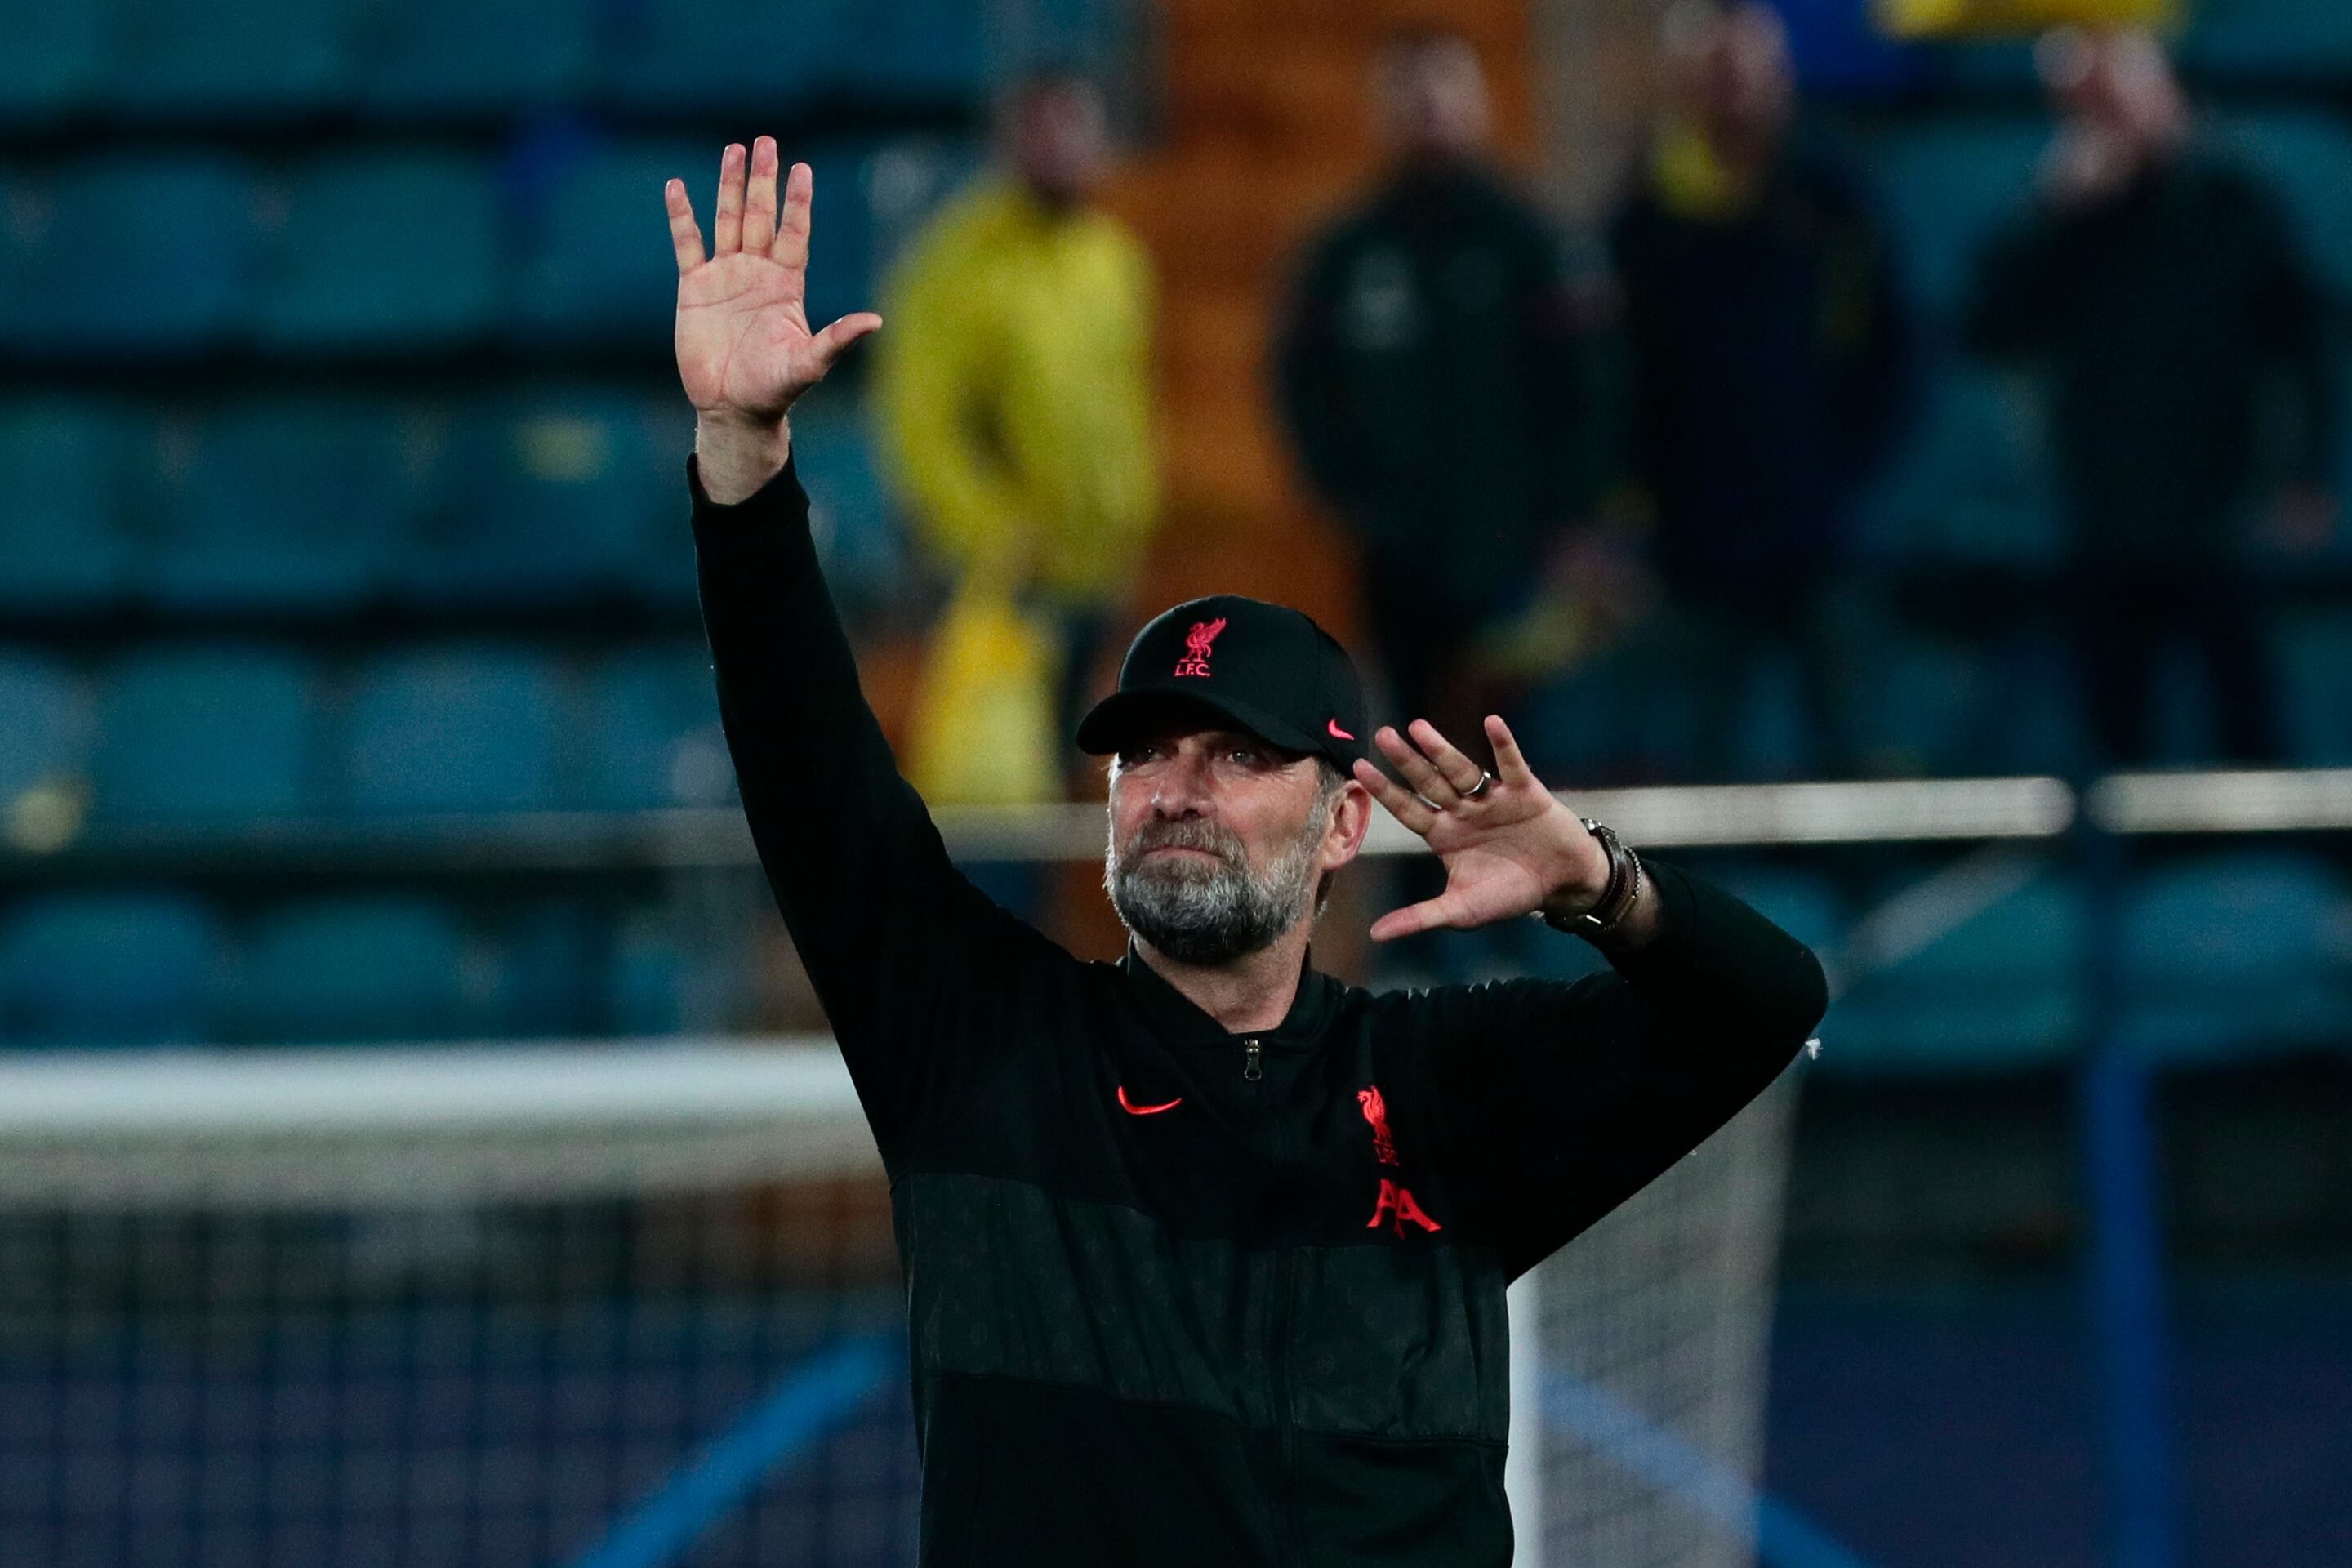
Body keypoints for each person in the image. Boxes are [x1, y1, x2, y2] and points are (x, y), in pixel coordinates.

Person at [664, 136, 1826, 1566]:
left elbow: (1768, 1008)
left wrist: (1600, 881)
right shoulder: (979, 1049)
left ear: (1349, 820)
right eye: (1144, 751)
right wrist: (744, 462)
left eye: (1238, 754)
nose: (1173, 787)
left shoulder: (1450, 1090)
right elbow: (808, 772)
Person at [1965, 28, 2341, 767]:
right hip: (2103, 512)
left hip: (2217, 507)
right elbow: (1988, 328)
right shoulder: (2065, 219)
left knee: (2250, 730)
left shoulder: (2236, 198)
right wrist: (2053, 211)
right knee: (2115, 741)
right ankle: (2119, 878)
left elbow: (2307, 343)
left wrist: (2308, 473)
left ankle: (2274, 872)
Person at [1607, 0, 1913, 779]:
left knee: (1856, 756)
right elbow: (1616, 382)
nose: (1736, 89)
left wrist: (1841, 474)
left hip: (1823, 535)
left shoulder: (1835, 201)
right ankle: (1692, 906)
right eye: (1717, 72)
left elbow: (1894, 352)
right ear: (1688, 85)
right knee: (1701, 772)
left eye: (1750, 70)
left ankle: (1871, 903)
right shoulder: (1645, 223)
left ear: (1782, 80)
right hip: (1695, 545)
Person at [1272, 27, 1590, 746]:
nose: (1428, 108)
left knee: (1516, 755)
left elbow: (1588, 388)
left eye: (1445, 88)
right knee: (1410, 750)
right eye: (1409, 92)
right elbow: (1304, 390)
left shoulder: (1530, 240)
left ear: (1479, 102)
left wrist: (1567, 515)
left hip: (1518, 554)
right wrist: (1357, 501)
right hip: (1397, 556)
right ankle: (1421, 865)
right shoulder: (1349, 252)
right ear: (1380, 110)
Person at [874, 67, 1157, 766]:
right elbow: (924, 421)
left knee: (1065, 775)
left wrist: (1128, 520)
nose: (1062, 144)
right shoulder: (959, 261)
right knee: (993, 780)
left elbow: (1124, 406)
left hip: (1094, 571)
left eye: (1077, 125)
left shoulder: (1113, 258)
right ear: (1010, 139)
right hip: (997, 581)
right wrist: (991, 536)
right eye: (1044, 126)